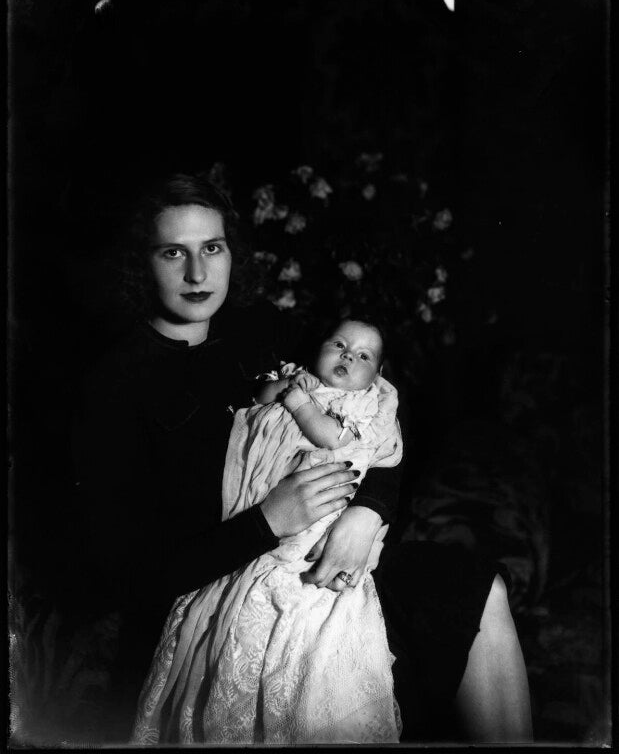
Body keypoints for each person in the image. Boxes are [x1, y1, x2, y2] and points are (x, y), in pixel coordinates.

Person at [72, 172, 532, 744]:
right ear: (139, 263)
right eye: (173, 252)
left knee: (479, 589)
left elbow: (373, 400)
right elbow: (130, 575)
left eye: (212, 248)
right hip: (219, 589)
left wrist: (369, 512)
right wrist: (268, 521)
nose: (197, 274)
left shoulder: (260, 327)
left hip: (325, 553)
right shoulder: (113, 386)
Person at [132, 319, 403, 744]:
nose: (348, 356)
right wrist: (284, 388)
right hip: (246, 530)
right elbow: (259, 397)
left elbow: (354, 444)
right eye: (338, 345)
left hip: (323, 514)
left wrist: (369, 512)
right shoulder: (295, 375)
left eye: (363, 356)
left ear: (378, 374)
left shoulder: (362, 405)